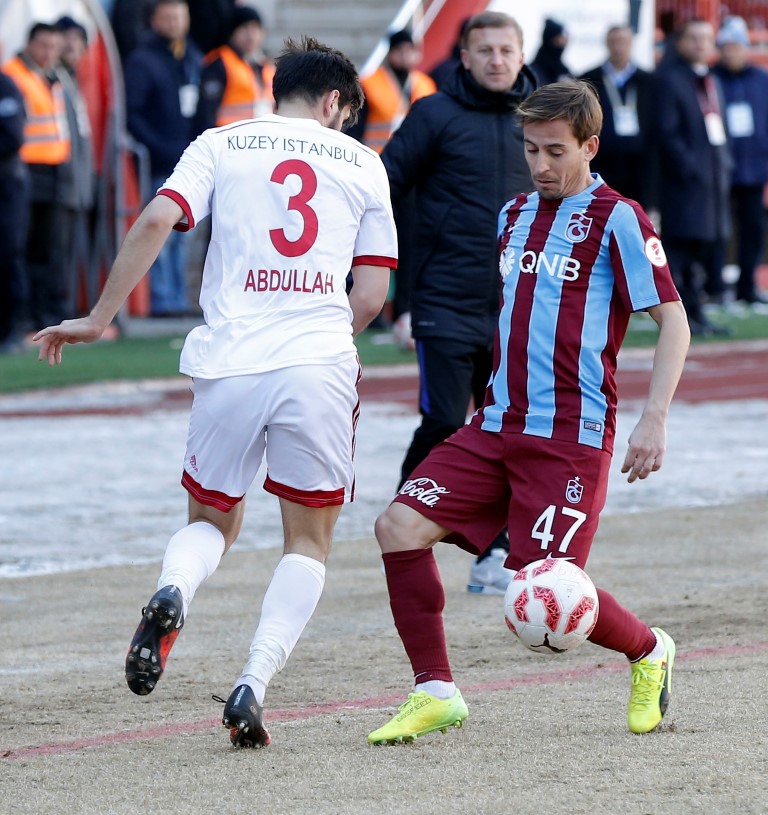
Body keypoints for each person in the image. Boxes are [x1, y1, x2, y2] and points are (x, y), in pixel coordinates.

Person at [34, 36, 397, 749]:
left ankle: (175, 588)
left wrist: (99, 318)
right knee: (308, 540)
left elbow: (154, 220)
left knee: (211, 520)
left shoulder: (221, 142)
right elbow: (372, 292)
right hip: (317, 362)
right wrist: (323, 336)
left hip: (231, 358)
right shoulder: (363, 162)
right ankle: (252, 684)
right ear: (334, 102)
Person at [367, 80, 690, 746]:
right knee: (397, 526)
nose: (539, 164)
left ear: (589, 146)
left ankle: (649, 649)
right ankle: (435, 691)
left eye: (554, 151)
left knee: (542, 595)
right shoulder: (512, 214)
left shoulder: (620, 218)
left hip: (569, 438)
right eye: (530, 149)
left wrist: (654, 417)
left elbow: (674, 321)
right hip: (495, 424)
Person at [379, 11, 537, 595]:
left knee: (513, 433)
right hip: (444, 300)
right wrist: (390, 284)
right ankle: (402, 532)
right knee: (445, 423)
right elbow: (383, 187)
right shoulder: (433, 114)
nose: (496, 59)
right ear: (464, 58)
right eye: (484, 50)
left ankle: (494, 554)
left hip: (520, 309)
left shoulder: (543, 117)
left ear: (521, 55)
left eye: (506, 49)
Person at [653, 18, 732, 334]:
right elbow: (666, 133)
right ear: (681, 42)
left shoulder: (711, 80)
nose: (701, 44)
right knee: (681, 251)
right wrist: (690, 168)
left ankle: (696, 313)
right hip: (684, 184)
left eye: (707, 38)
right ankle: (680, 318)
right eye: (694, 38)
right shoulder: (670, 80)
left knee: (702, 250)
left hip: (712, 182)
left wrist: (722, 167)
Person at [124, 0, 202, 317]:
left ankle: (178, 298)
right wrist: (160, 148)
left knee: (184, 235)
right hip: (160, 162)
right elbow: (133, 114)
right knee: (160, 232)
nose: (174, 22)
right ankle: (161, 299)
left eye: (180, 16)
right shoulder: (142, 60)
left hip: (190, 161)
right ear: (154, 20)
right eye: (167, 16)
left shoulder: (191, 57)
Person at [3, 23, 72, 330]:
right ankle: (24, 315)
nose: (49, 52)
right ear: (29, 43)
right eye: (44, 45)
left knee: (49, 248)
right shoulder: (13, 75)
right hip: (22, 171)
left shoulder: (53, 77)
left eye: (54, 47)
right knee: (22, 246)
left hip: (53, 170)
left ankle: (47, 314)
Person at [712, 15, 768, 307]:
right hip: (719, 169)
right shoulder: (711, 79)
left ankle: (748, 286)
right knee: (717, 231)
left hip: (754, 169)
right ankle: (715, 286)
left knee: (752, 230)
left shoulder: (761, 80)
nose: (730, 52)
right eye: (726, 46)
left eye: (735, 46)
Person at [580, 24, 655, 207]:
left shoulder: (648, 81)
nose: (618, 47)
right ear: (606, 44)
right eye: (614, 41)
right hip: (603, 163)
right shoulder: (590, 79)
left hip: (639, 167)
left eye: (623, 42)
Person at [55, 16, 96, 320]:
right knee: (55, 252)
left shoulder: (72, 80)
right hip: (59, 184)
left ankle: (65, 308)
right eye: (66, 38)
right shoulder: (54, 81)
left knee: (68, 253)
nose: (72, 46)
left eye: (78, 40)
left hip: (77, 186)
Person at [194, 5, 274, 133]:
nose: (251, 35)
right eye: (244, 28)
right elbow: (206, 113)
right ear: (232, 33)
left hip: (260, 139)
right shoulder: (220, 64)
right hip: (228, 139)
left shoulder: (266, 66)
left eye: (255, 28)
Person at [0, 60, 29, 354]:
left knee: (8, 254)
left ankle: (12, 329)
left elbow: (13, 137)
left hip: (7, 185)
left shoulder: (5, 86)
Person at [529, 18, 572, 86]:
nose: (562, 45)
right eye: (558, 42)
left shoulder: (562, 70)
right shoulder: (532, 73)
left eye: (564, 41)